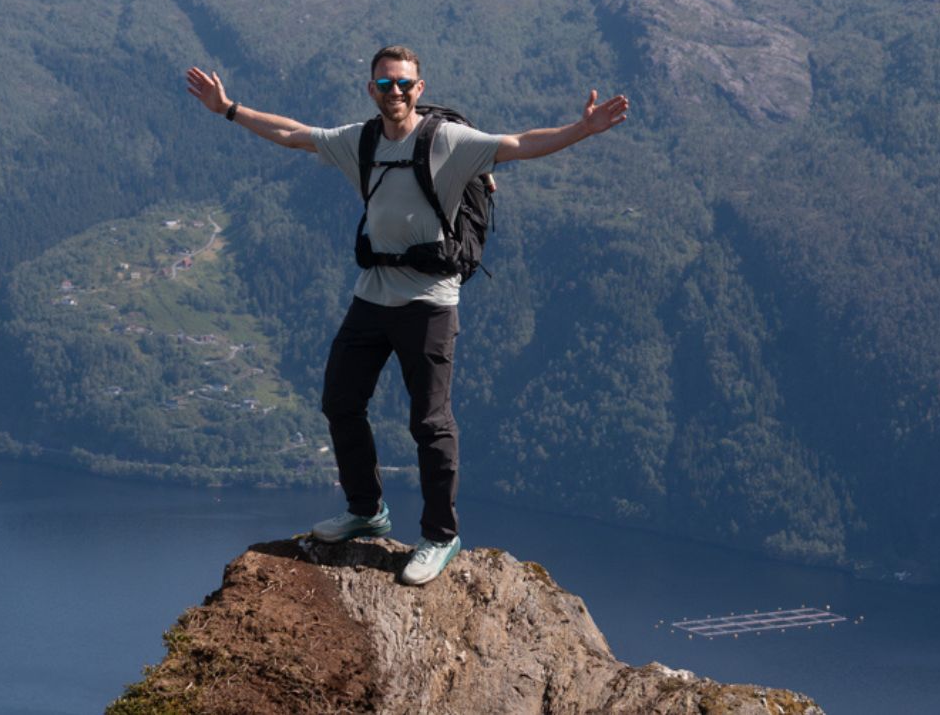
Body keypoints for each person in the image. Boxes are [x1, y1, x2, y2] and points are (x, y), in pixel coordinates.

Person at [183, 45, 629, 585]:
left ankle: (440, 536)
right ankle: (366, 510)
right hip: (373, 294)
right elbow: (294, 134)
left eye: (403, 83)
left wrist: (581, 130)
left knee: (430, 422)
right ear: (370, 89)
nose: (393, 91)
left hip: (430, 302)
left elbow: (518, 145)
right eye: (384, 83)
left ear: (420, 89)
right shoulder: (360, 140)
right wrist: (229, 110)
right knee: (340, 401)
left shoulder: (449, 141)